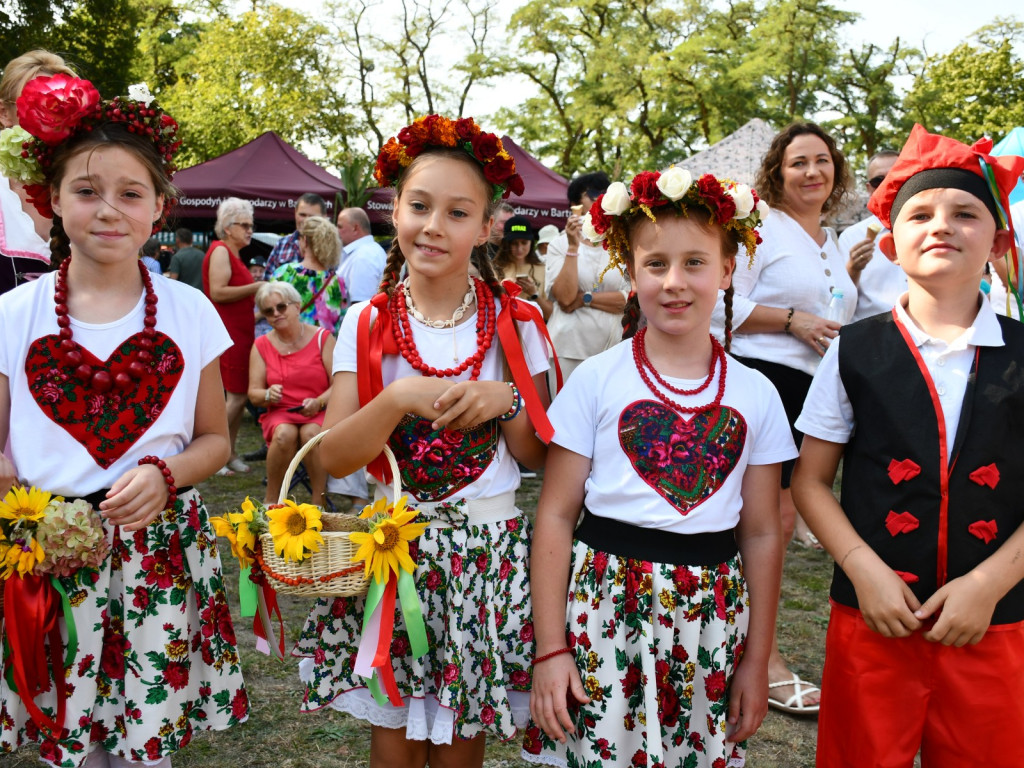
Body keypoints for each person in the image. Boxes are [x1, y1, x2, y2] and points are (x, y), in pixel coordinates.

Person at [0, 74, 246, 767]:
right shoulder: (12, 318)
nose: (108, 209)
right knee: (68, 741)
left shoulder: (189, 311)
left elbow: (215, 439)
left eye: (131, 193)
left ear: (160, 207)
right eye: (86, 190)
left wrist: (166, 474)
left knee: (145, 745)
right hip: (52, 559)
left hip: (154, 558)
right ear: (49, 198)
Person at [293, 114, 552, 768]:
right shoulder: (369, 320)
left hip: (483, 555)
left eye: (457, 212)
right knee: (394, 743)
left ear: (487, 226)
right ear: (395, 211)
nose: (433, 225)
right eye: (419, 205)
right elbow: (335, 455)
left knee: (464, 740)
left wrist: (510, 398)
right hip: (395, 550)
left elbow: (536, 455)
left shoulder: (517, 322)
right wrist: (399, 398)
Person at [524, 169, 793, 767]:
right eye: (655, 264)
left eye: (695, 262)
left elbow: (762, 528)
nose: (674, 283)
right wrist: (549, 650)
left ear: (727, 271)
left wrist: (756, 657)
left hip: (711, 620)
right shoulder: (595, 380)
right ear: (631, 271)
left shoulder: (756, 394)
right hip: (602, 612)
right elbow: (556, 515)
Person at [792, 125, 1024, 768]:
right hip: (874, 619)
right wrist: (863, 569)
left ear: (999, 241)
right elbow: (809, 482)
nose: (941, 225)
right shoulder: (855, 350)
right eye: (920, 213)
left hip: (997, 620)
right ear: (891, 242)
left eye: (965, 213)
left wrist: (986, 585)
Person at [717, 122, 856, 715]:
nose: (812, 172)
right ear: (777, 172)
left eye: (822, 161)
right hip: (766, 383)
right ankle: (764, 661)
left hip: (820, 390)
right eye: (798, 162)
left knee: (781, 515)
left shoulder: (834, 241)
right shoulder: (760, 228)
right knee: (763, 522)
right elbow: (724, 299)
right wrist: (792, 319)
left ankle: (742, 647)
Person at [248, 281, 335, 507]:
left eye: (281, 307)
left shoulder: (322, 338)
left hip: (319, 410)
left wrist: (319, 401)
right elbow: (253, 394)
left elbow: (340, 384)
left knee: (311, 435)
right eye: (269, 311)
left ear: (297, 307)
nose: (276, 314)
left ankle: (319, 501)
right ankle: (272, 500)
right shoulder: (261, 345)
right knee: (284, 434)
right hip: (281, 412)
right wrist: (268, 394)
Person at [0, 50, 77, 294]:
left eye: (61, 106)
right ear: (4, 113)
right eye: (34, 103)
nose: (50, 116)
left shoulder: (95, 191)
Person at [545, 172, 630, 383]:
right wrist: (573, 247)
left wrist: (584, 299)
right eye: (593, 194)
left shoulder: (620, 245)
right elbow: (565, 298)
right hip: (568, 349)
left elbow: (629, 300)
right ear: (575, 204)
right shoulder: (559, 244)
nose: (600, 198)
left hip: (613, 348)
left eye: (604, 193)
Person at [203, 197, 264, 475]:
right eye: (244, 225)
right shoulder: (220, 251)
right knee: (236, 397)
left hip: (240, 331)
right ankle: (213, 454)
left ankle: (229, 453)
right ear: (228, 227)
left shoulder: (232, 253)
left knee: (239, 396)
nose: (249, 230)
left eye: (251, 225)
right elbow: (217, 292)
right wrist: (257, 287)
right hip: (228, 333)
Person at [838, 150, 907, 321]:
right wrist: (853, 269)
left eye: (896, 176)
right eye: (879, 181)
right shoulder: (852, 237)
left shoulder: (930, 229)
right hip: (874, 334)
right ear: (869, 189)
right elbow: (838, 300)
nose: (888, 184)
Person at [270, 214, 347, 333]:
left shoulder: (284, 273)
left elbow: (270, 313)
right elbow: (341, 322)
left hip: (289, 347)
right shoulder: (338, 282)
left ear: (305, 240)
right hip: (325, 348)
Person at [492, 214, 553, 320]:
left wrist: (534, 294)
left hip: (533, 330)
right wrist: (504, 291)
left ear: (531, 242)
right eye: (514, 243)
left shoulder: (543, 269)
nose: (519, 248)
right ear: (506, 244)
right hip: (503, 329)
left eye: (524, 243)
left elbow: (549, 315)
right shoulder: (495, 268)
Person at [265, 192, 326, 274]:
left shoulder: (332, 249)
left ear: (324, 217)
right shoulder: (282, 244)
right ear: (295, 213)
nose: (306, 221)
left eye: (312, 217)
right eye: (302, 215)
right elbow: (268, 281)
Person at [336, 206, 387, 303]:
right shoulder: (365, 252)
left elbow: (360, 304)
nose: (337, 231)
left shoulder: (364, 256)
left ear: (355, 228)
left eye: (340, 226)